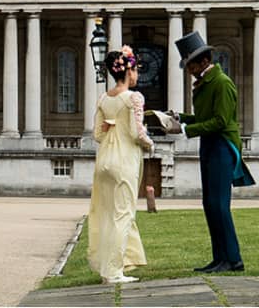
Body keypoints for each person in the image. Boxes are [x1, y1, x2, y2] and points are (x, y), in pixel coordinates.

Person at [170, 32, 255, 274]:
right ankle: (220, 258)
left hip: (222, 145)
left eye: (190, 65)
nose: (188, 70)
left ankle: (233, 258)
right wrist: (180, 118)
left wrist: (185, 129)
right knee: (209, 204)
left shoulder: (222, 83)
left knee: (219, 204)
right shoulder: (206, 83)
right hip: (209, 144)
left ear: (204, 62)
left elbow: (220, 121)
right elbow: (205, 118)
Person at [87, 45, 154, 285]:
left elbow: (97, 134)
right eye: (136, 70)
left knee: (106, 214)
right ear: (129, 71)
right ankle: (114, 271)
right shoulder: (134, 98)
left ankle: (107, 269)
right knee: (123, 214)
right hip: (124, 160)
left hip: (104, 160)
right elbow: (138, 133)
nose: (137, 75)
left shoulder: (104, 98)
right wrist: (150, 143)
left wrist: (111, 127)